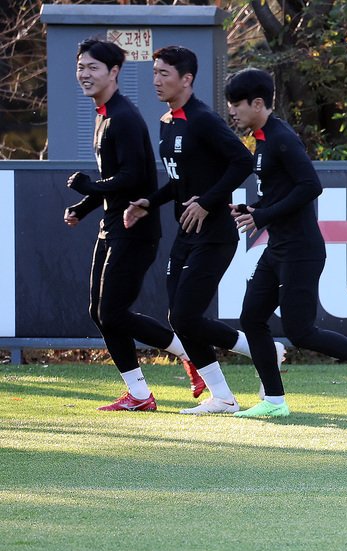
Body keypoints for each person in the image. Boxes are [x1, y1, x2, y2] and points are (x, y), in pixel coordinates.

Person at [224, 68, 347, 418]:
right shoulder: (263, 139)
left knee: (300, 332)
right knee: (251, 318)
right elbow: (281, 193)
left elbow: (310, 186)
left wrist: (262, 216)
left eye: (236, 104)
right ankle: (274, 401)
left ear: (258, 103)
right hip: (278, 248)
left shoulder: (281, 137)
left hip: (300, 250)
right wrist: (253, 208)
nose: (232, 111)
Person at [64, 37, 197, 411]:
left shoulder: (122, 116)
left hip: (135, 229)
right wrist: (85, 206)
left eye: (93, 67)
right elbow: (115, 180)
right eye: (80, 67)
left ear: (114, 72)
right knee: (100, 313)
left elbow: (134, 177)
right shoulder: (103, 114)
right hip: (112, 225)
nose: (84, 74)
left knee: (112, 313)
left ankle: (188, 352)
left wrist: (90, 187)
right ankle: (139, 394)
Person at [123, 45, 256, 415]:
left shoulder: (203, 119)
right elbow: (179, 182)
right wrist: (150, 202)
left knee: (184, 316)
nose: (156, 80)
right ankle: (223, 397)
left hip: (215, 235)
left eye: (164, 73)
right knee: (179, 318)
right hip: (186, 232)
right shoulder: (167, 122)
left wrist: (208, 201)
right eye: (154, 72)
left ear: (187, 79)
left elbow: (242, 161)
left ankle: (255, 351)